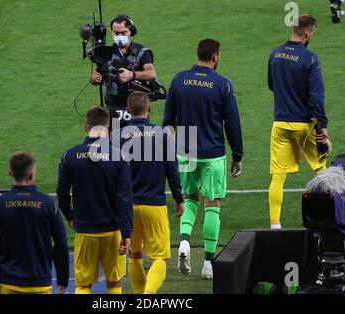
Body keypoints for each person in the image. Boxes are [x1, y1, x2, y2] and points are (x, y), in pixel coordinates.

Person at [162, 39, 243, 279]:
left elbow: (168, 120)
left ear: (198, 54)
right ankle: (208, 263)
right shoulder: (222, 84)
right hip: (213, 153)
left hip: (185, 150)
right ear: (216, 56)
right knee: (212, 205)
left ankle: (185, 242)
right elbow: (233, 124)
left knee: (190, 200)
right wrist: (237, 155)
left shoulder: (179, 80)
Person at [57, 106, 133, 294]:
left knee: (83, 285)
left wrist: (70, 216)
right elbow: (124, 199)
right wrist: (127, 232)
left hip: (85, 230)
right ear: (107, 127)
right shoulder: (119, 156)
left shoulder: (70, 156)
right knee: (114, 284)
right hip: (113, 232)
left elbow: (62, 194)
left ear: (86, 127)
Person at [115, 91, 184, 293]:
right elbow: (172, 171)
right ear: (150, 108)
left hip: (127, 207)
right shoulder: (163, 135)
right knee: (160, 257)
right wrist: (179, 199)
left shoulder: (116, 136)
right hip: (154, 204)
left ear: (127, 111)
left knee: (134, 256)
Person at [267, 14, 331, 229]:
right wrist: (322, 127)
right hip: (305, 125)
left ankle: (275, 225)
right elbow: (316, 98)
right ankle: (326, 218)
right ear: (308, 33)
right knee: (320, 170)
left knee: (278, 176)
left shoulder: (275, 54)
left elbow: (271, 85)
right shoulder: (311, 59)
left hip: (280, 124)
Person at [0, 152, 69, 294]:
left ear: (10, 173)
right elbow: (61, 244)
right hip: (40, 284)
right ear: (32, 174)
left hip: (8, 284)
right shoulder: (48, 204)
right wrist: (63, 278)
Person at [90, 15, 157, 128]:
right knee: (116, 142)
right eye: (116, 33)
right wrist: (94, 77)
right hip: (113, 107)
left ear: (131, 31)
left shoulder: (141, 51)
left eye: (123, 32)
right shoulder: (106, 52)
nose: (119, 36)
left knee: (138, 140)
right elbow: (93, 79)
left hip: (137, 108)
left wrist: (132, 75)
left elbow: (152, 74)